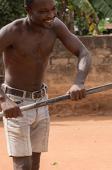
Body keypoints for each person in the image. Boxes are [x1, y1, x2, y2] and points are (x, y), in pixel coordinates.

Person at [0, 0, 92, 169]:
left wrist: (79, 82)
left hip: (41, 101)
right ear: (28, 10)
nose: (50, 15)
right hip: (16, 103)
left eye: (53, 9)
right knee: (23, 166)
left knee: (35, 164)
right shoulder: (12, 31)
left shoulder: (55, 26)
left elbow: (83, 52)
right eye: (43, 11)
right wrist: (3, 99)